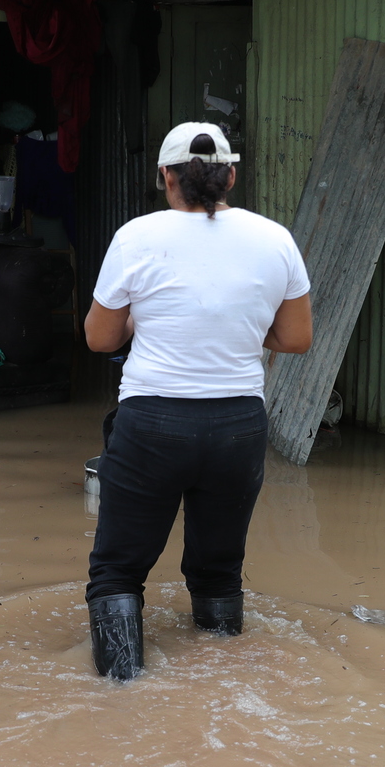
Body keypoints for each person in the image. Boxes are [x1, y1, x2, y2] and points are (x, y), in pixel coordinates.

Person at [81, 122, 313, 681]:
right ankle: (223, 689)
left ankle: (119, 695)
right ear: (231, 175)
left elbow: (100, 339)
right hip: (238, 427)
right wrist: (236, 325)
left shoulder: (136, 237)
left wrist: (143, 319)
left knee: (117, 573)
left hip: (153, 424)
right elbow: (296, 339)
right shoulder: (275, 238)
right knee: (217, 572)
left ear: (166, 176)